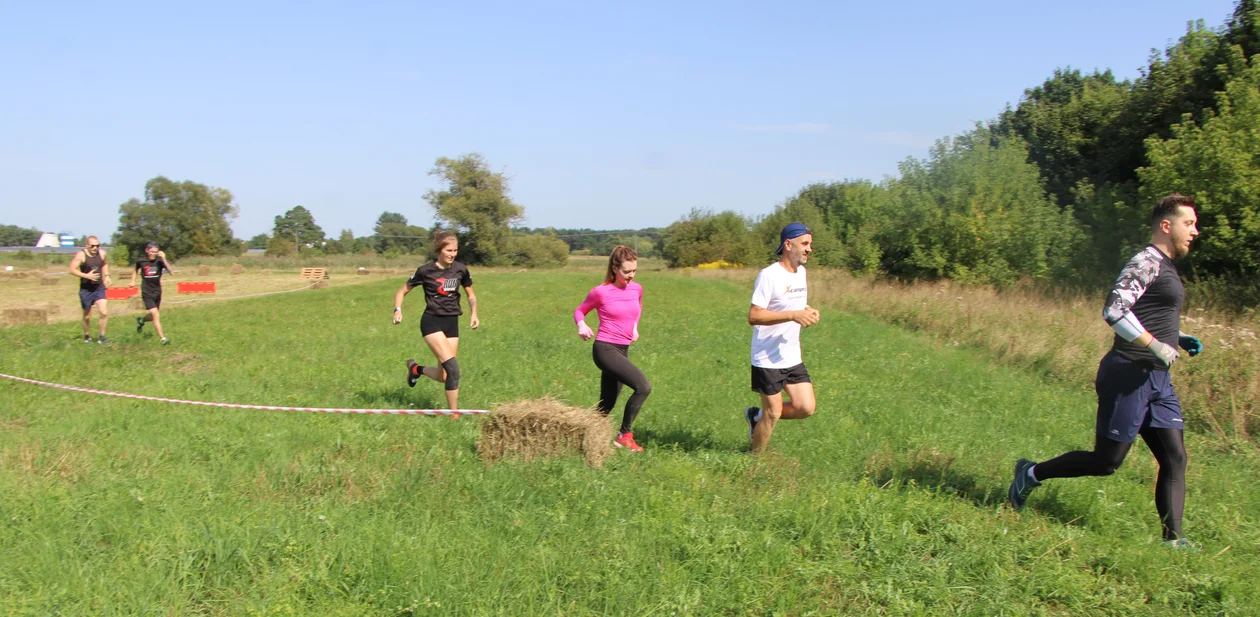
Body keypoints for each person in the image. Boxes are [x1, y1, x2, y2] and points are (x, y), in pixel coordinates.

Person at [1009, 194, 1203, 549]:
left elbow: (1149, 313)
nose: (1195, 231)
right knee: (1106, 462)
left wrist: (1179, 337)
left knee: (1175, 456)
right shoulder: (1146, 260)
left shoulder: (1169, 266)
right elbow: (1114, 310)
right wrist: (1153, 345)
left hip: (1157, 379)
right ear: (1166, 225)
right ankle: (1031, 473)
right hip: (1128, 374)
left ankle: (1173, 540)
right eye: (1188, 223)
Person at [744, 223, 821, 453]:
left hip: (790, 355)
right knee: (774, 412)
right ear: (788, 244)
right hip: (767, 358)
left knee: (805, 407)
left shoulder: (802, 273)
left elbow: (792, 305)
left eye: (810, 244)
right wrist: (794, 315)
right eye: (804, 244)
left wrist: (807, 310)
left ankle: (755, 416)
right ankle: (753, 461)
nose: (809, 249)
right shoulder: (769, 275)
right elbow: (754, 315)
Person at [574, 245, 650, 451]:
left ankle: (581, 440)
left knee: (606, 405)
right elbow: (580, 311)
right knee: (643, 387)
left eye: (634, 271)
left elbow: (638, 306)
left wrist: (634, 327)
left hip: (622, 349)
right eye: (627, 272)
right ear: (615, 268)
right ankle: (625, 435)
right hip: (605, 349)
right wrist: (582, 325)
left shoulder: (637, 289)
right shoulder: (601, 292)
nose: (631, 276)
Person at [393, 231, 479, 410]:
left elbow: (470, 294)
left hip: (452, 323)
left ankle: (417, 369)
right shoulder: (425, 271)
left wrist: (474, 313)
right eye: (449, 250)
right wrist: (397, 310)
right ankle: (453, 415)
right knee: (454, 369)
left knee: (445, 376)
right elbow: (401, 291)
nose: (452, 254)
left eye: (455, 250)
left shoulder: (460, 269)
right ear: (439, 250)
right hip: (432, 323)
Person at [68, 235, 112, 345]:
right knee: (87, 316)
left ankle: (102, 337)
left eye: (97, 246)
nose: (95, 248)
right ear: (87, 245)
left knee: (103, 312)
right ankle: (87, 335)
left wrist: (106, 276)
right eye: (92, 246)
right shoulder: (81, 255)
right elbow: (71, 269)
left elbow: (104, 263)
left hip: (99, 288)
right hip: (86, 289)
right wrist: (86, 276)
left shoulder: (102, 254)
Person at [131, 242, 172, 345]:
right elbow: (135, 270)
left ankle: (141, 321)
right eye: (152, 252)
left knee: (153, 315)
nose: (153, 254)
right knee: (155, 314)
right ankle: (163, 339)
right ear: (147, 250)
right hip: (146, 291)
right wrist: (132, 281)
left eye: (155, 252)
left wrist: (164, 259)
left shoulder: (160, 261)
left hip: (157, 291)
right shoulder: (141, 260)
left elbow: (171, 272)